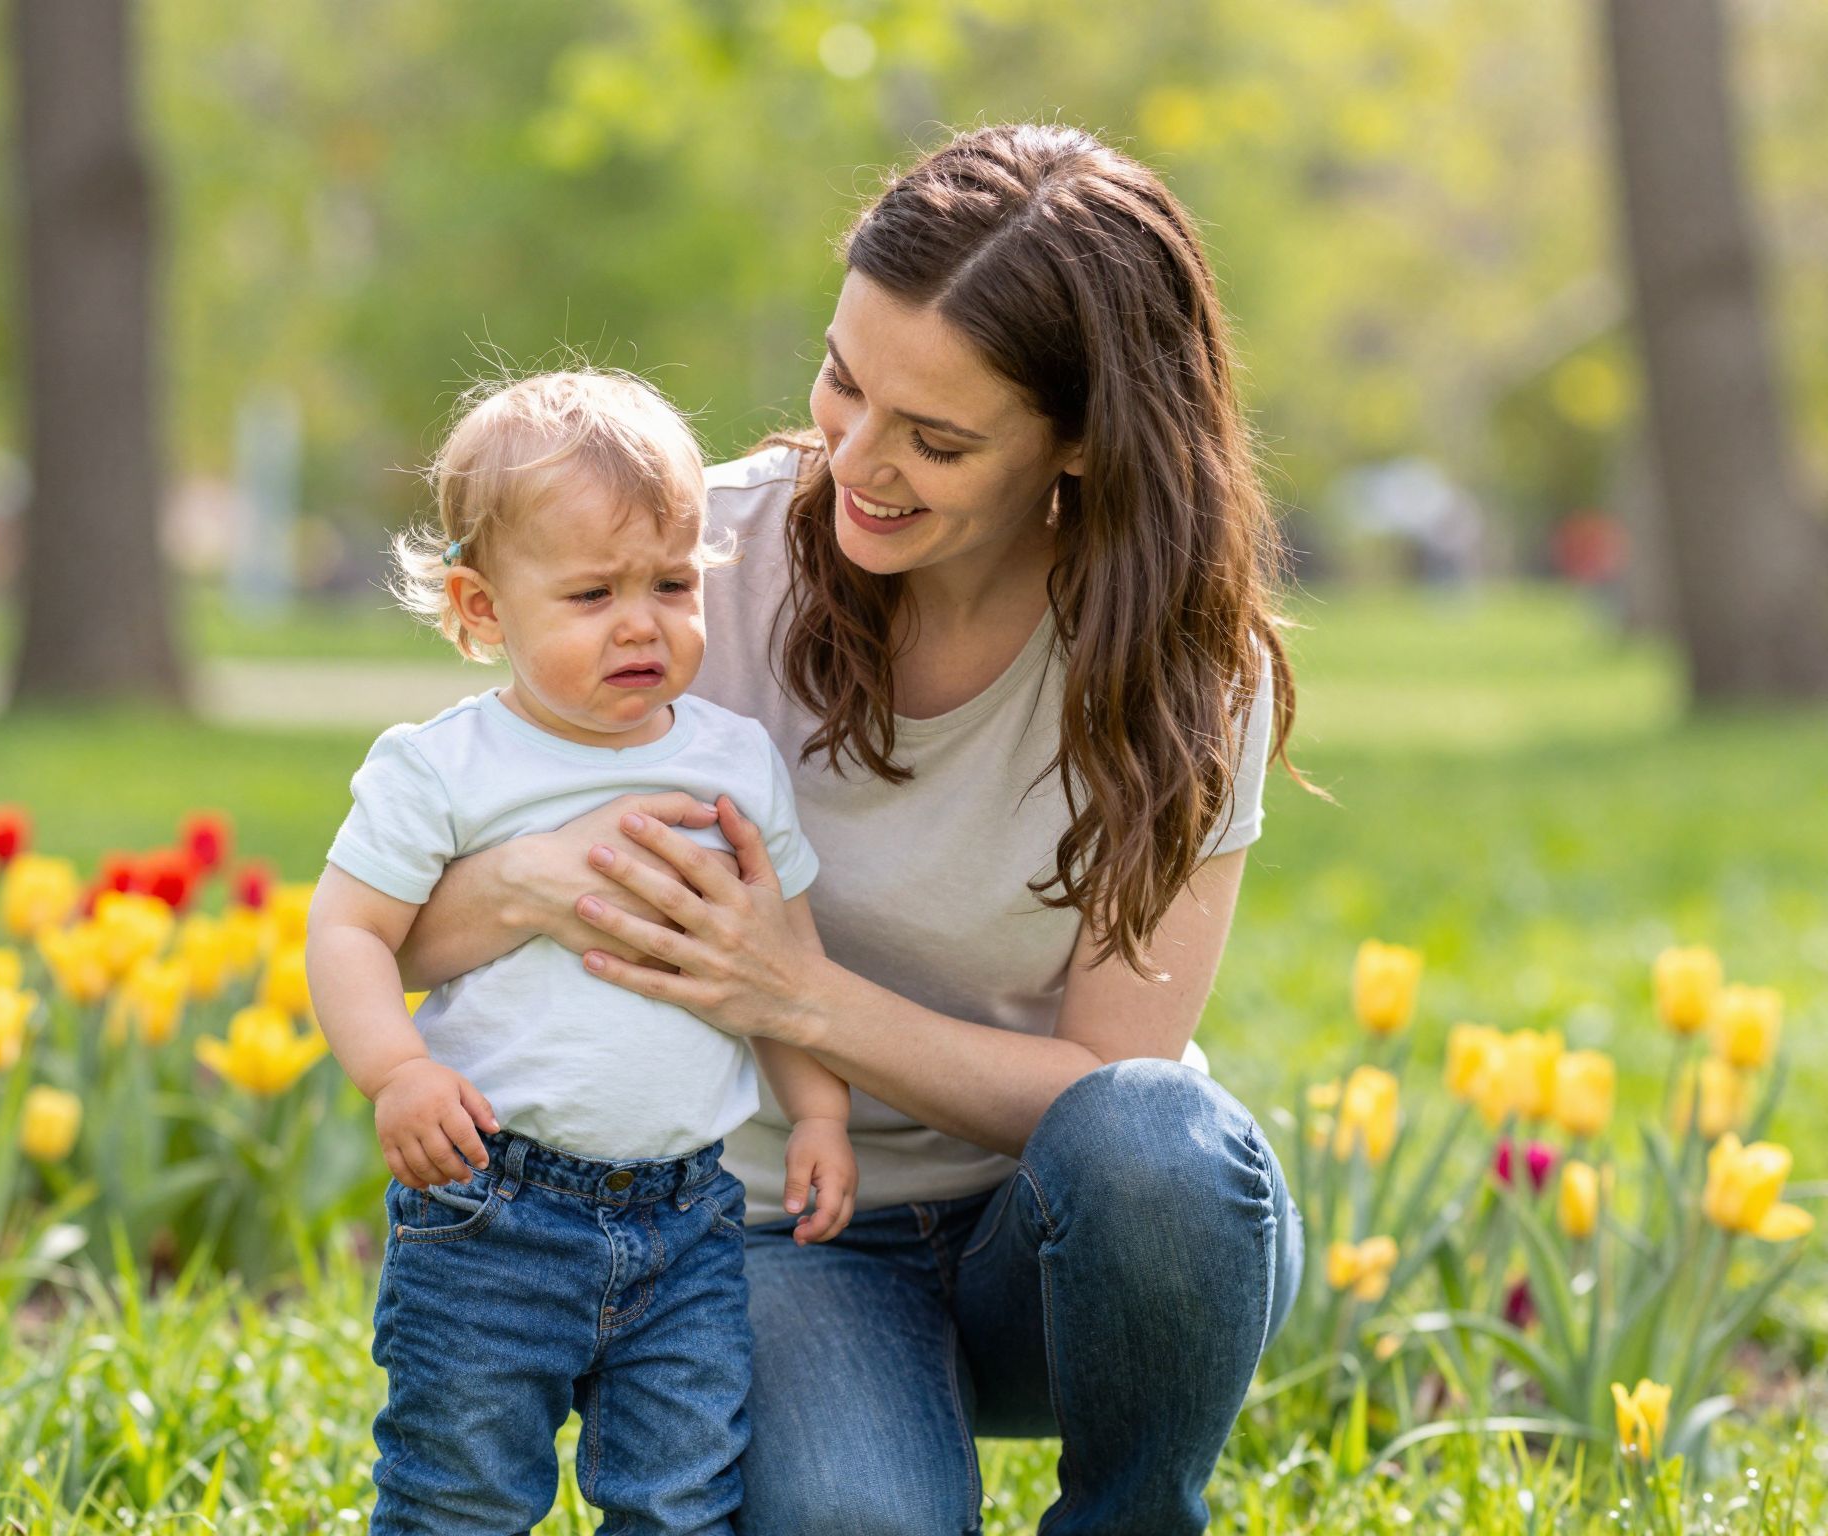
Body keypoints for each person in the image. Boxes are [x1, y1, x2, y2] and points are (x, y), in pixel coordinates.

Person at [397, 124, 1312, 1535]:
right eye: (844, 379)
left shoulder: (1189, 665)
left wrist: (799, 997)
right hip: (784, 1236)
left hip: (1063, 1252)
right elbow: (403, 931)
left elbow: (1103, 1090)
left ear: (1078, 443)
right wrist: (527, 880)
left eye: (935, 438)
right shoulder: (704, 573)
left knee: (1159, 1142)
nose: (857, 458)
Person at [306, 370, 857, 1534]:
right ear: (481, 608)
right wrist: (397, 1071)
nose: (640, 622)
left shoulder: (732, 762)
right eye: (591, 593)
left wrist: (817, 1113)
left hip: (690, 1215)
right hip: (491, 1211)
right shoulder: (445, 769)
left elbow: (784, 957)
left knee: (677, 1498)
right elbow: (350, 930)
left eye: (669, 582)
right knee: (457, 1493)